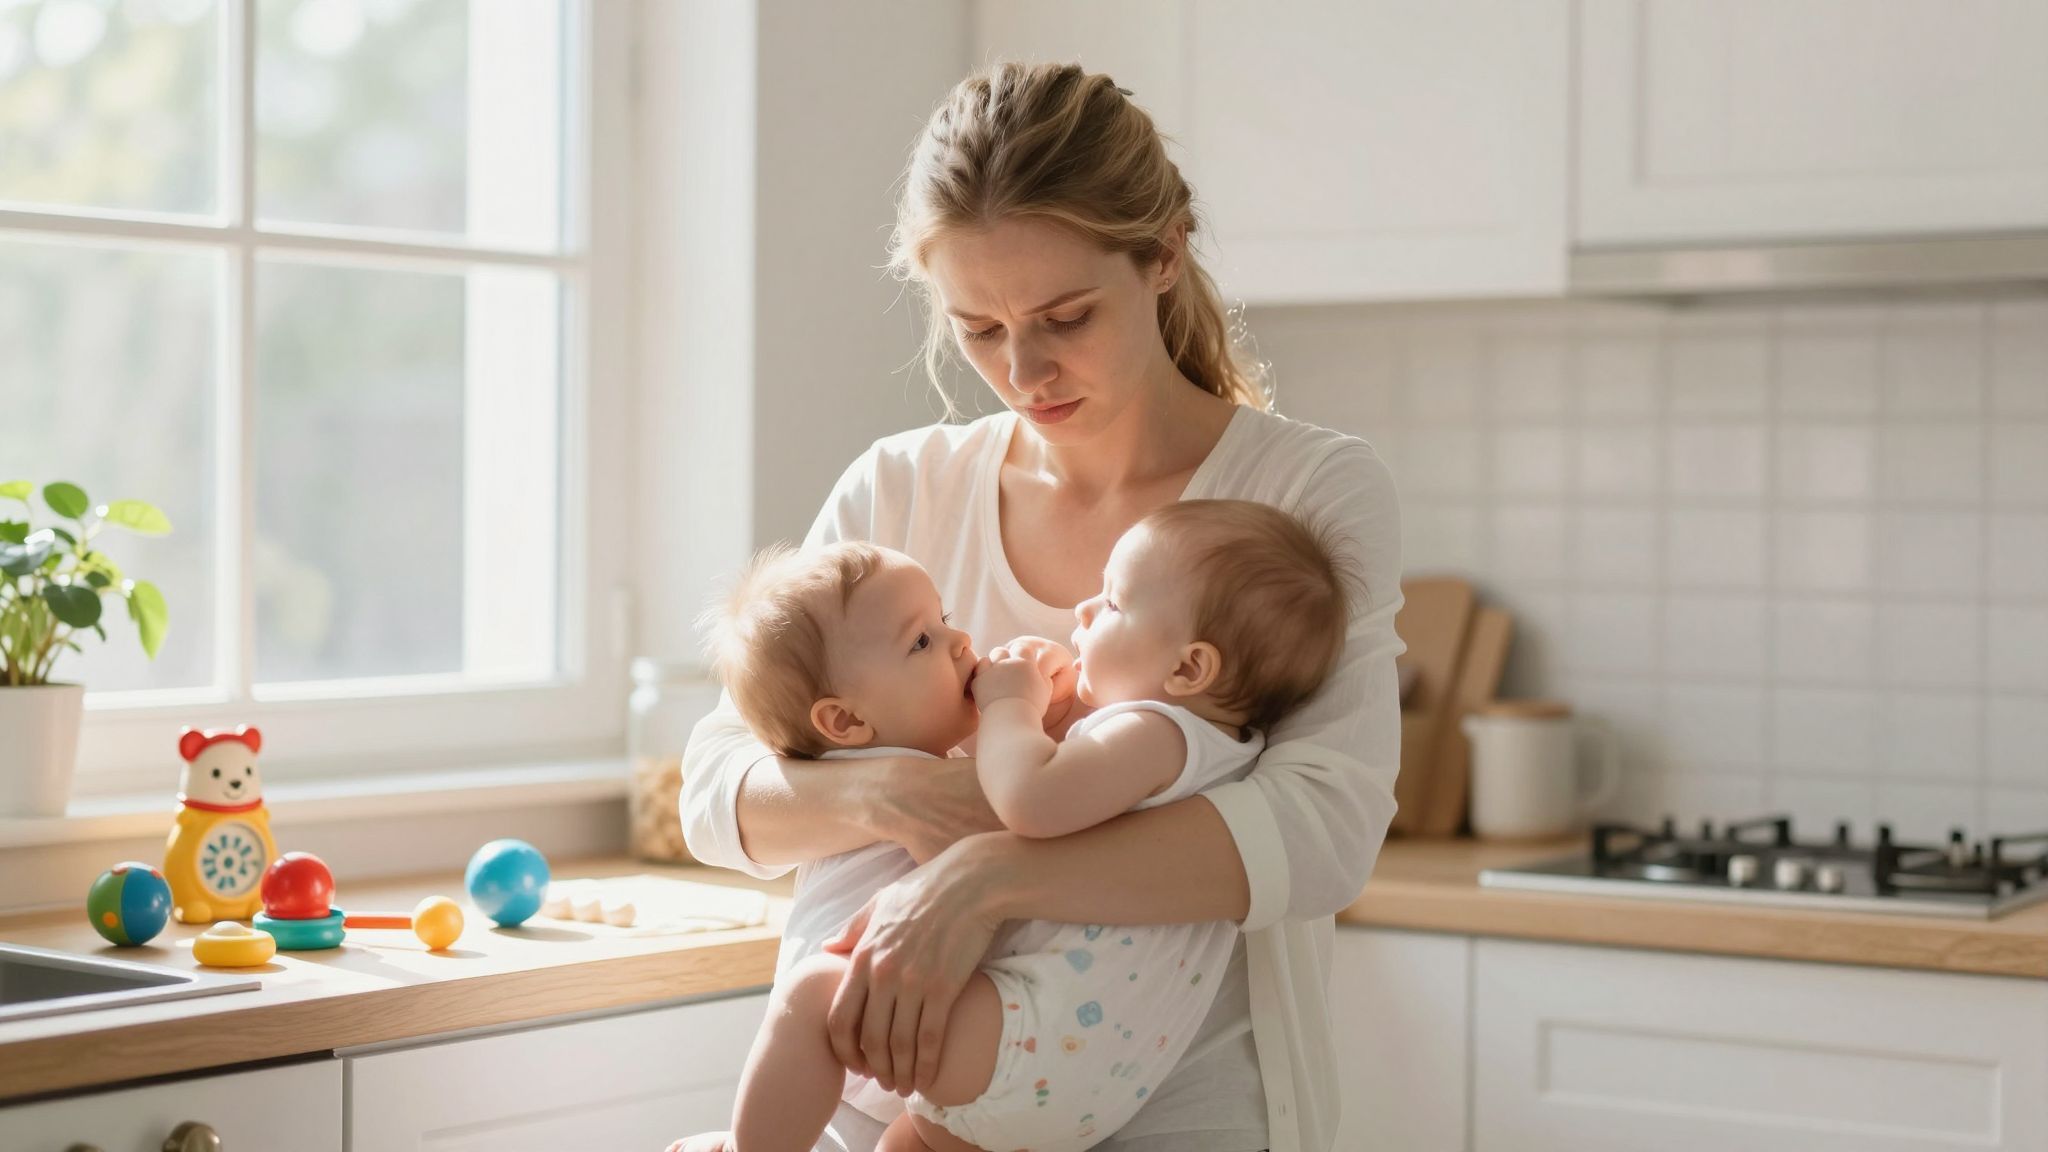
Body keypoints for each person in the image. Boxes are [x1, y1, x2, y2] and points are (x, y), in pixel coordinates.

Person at [681, 60, 1404, 1152]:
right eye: (978, 328)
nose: (1025, 371)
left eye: (1066, 317)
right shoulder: (902, 487)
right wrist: (899, 796)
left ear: (1162, 255)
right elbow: (716, 791)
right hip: (880, 1106)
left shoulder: (1302, 490)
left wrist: (985, 877)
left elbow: (1323, 831)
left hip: (1186, 1117)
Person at [678, 502, 1355, 1152]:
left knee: (810, 995)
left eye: (1112, 604)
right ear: (846, 721)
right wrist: (1032, 714)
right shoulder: (1207, 746)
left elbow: (1028, 801)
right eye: (924, 639)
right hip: (1058, 1063)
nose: (961, 641)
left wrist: (1014, 708)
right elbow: (712, 787)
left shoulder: (1154, 732)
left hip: (1015, 1037)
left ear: (1188, 667)